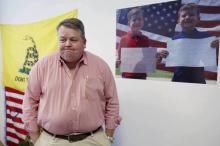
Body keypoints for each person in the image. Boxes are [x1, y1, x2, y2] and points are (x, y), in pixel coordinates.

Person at [22, 18, 121, 146]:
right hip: (51, 141)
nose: (67, 44)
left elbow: (112, 101)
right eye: (63, 39)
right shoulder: (42, 67)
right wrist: (36, 138)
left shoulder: (100, 67)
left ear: (84, 42)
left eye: (73, 40)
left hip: (93, 139)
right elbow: (29, 103)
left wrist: (109, 135)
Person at [164, 3, 219, 84]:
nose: (187, 17)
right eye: (183, 16)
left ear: (198, 18)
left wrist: (217, 49)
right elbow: (172, 60)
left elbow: (214, 61)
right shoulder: (174, 39)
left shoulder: (206, 38)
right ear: (178, 20)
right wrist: (164, 55)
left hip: (198, 81)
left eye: (191, 15)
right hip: (178, 80)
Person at [116, 7, 168, 79]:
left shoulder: (146, 39)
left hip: (142, 77)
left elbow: (148, 61)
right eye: (134, 20)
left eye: (139, 19)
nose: (137, 22)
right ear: (129, 23)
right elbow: (118, 60)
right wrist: (117, 62)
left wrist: (158, 58)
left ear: (143, 22)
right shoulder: (123, 39)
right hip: (126, 77)